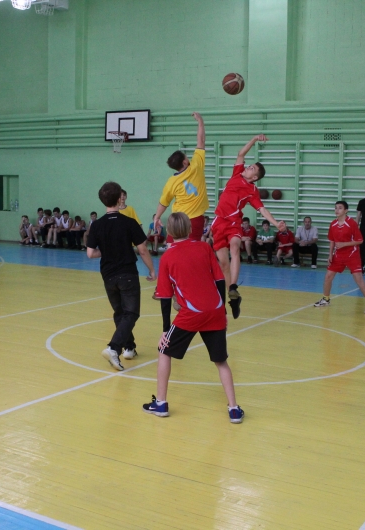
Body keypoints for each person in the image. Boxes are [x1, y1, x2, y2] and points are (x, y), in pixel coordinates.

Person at [143, 212, 244, 424]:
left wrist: (165, 329)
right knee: (221, 361)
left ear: (169, 232)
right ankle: (234, 409)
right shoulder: (205, 247)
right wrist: (223, 312)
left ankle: (160, 403)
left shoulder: (167, 257)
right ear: (190, 229)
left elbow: (165, 296)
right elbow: (219, 281)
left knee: (164, 350)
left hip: (191, 313)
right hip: (215, 310)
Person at [87, 181, 156, 371]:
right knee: (131, 313)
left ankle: (129, 348)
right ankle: (113, 348)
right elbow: (142, 249)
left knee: (120, 313)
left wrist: (107, 250)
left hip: (108, 275)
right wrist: (152, 269)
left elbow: (91, 253)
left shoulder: (97, 225)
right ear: (119, 199)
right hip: (127, 274)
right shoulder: (129, 222)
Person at [211, 133, 279, 319]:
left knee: (235, 247)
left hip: (233, 222)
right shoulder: (236, 173)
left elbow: (262, 210)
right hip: (219, 222)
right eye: (250, 165)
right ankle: (233, 299)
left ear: (254, 177)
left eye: (252, 168)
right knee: (223, 264)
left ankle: (233, 286)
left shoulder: (252, 191)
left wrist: (275, 223)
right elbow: (241, 154)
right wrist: (254, 139)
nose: (248, 167)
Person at [153, 112, 208, 242]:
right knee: (191, 249)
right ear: (184, 162)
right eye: (186, 157)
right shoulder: (196, 166)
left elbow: (164, 202)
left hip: (177, 219)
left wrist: (157, 217)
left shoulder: (171, 182)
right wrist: (200, 121)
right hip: (194, 219)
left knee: (172, 248)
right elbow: (201, 140)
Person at [314, 201, 365, 315]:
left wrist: (344, 244)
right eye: (336, 208)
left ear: (346, 210)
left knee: (358, 279)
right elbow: (332, 240)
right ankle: (326, 299)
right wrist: (330, 254)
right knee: (328, 276)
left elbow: (360, 240)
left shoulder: (351, 223)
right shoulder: (333, 224)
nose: (337, 210)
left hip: (352, 255)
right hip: (338, 255)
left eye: (340, 208)